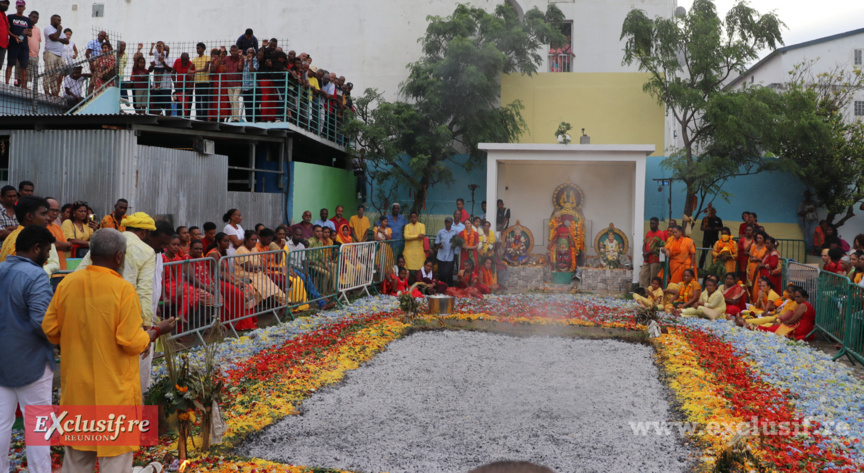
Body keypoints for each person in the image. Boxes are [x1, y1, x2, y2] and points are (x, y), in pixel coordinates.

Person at [43, 228, 176, 473]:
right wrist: (157, 331)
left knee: (76, 460)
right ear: (119, 257)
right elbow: (132, 342)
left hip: (78, 390)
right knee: (115, 461)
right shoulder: (123, 289)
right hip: (114, 391)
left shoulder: (67, 283)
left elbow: (50, 330)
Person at [0, 225, 55, 473]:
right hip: (32, 362)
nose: (48, 256)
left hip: (3, 360)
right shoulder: (36, 275)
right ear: (36, 248)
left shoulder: (1, 269)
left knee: (2, 423)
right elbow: (41, 322)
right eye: (47, 251)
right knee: (38, 424)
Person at [0, 196, 59, 275]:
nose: (48, 218)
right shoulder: (22, 239)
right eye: (43, 214)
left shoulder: (16, 235)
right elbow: (21, 274)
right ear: (29, 216)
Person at [235, 231, 287, 310]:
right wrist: (259, 267)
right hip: (245, 275)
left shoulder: (254, 249)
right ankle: (249, 309)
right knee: (263, 287)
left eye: (255, 240)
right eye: (252, 240)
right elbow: (248, 267)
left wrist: (260, 267)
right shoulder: (241, 250)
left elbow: (261, 263)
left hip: (256, 274)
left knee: (272, 286)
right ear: (246, 240)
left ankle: (287, 302)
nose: (254, 242)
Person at [5, 0, 32, 89]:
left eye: (22, 6)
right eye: (19, 6)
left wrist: (27, 32)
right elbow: (7, 30)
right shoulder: (10, 17)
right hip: (13, 44)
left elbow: (30, 34)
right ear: (16, 7)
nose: (20, 8)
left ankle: (24, 86)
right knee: (10, 64)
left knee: (24, 66)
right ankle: (7, 84)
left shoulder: (28, 20)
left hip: (24, 46)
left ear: (24, 8)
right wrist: (14, 36)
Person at [42, 14, 66, 96]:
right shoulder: (48, 28)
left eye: (60, 20)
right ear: (52, 20)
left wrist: (58, 38)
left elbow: (67, 41)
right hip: (50, 53)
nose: (60, 22)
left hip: (59, 55)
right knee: (48, 72)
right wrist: (59, 31)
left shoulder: (60, 31)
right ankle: (46, 90)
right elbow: (53, 37)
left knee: (56, 74)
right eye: (58, 20)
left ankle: (54, 91)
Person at [640, 217, 667, 289]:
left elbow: (660, 246)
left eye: (653, 224)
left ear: (657, 224)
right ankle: (646, 290)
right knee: (643, 274)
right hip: (646, 258)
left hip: (655, 259)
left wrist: (648, 253)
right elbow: (645, 244)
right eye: (650, 224)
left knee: (653, 277)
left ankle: (652, 291)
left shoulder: (661, 233)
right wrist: (644, 253)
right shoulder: (648, 233)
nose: (651, 225)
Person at [44, 198, 70, 272]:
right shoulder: (40, 227)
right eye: (52, 210)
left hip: (61, 269)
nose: (55, 213)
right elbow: (53, 245)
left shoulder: (57, 227)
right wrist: (60, 245)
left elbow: (68, 246)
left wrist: (61, 245)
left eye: (57, 211)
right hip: (47, 270)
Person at [402, 212, 426, 281]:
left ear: (417, 218)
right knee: (407, 268)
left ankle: (419, 283)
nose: (413, 219)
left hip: (419, 252)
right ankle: (407, 283)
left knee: (419, 269)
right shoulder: (407, 226)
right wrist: (417, 236)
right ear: (410, 218)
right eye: (412, 217)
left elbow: (422, 235)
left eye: (414, 217)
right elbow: (406, 237)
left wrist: (412, 236)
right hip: (409, 252)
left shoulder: (422, 225)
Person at [699, 204, 723, 269]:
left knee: (716, 253)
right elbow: (701, 228)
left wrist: (716, 228)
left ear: (715, 212)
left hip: (715, 239)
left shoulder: (718, 219)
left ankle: (715, 268)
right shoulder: (705, 219)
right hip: (706, 239)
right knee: (704, 253)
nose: (712, 213)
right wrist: (707, 228)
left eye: (713, 212)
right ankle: (700, 268)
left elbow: (722, 228)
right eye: (710, 212)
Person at [746, 232, 768, 300]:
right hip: (752, 267)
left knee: (759, 284)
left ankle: (760, 300)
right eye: (757, 238)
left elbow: (766, 260)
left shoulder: (766, 247)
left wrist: (758, 259)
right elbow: (750, 257)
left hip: (760, 268)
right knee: (752, 284)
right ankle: (753, 300)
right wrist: (752, 259)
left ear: (764, 238)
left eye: (760, 238)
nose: (758, 240)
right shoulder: (753, 246)